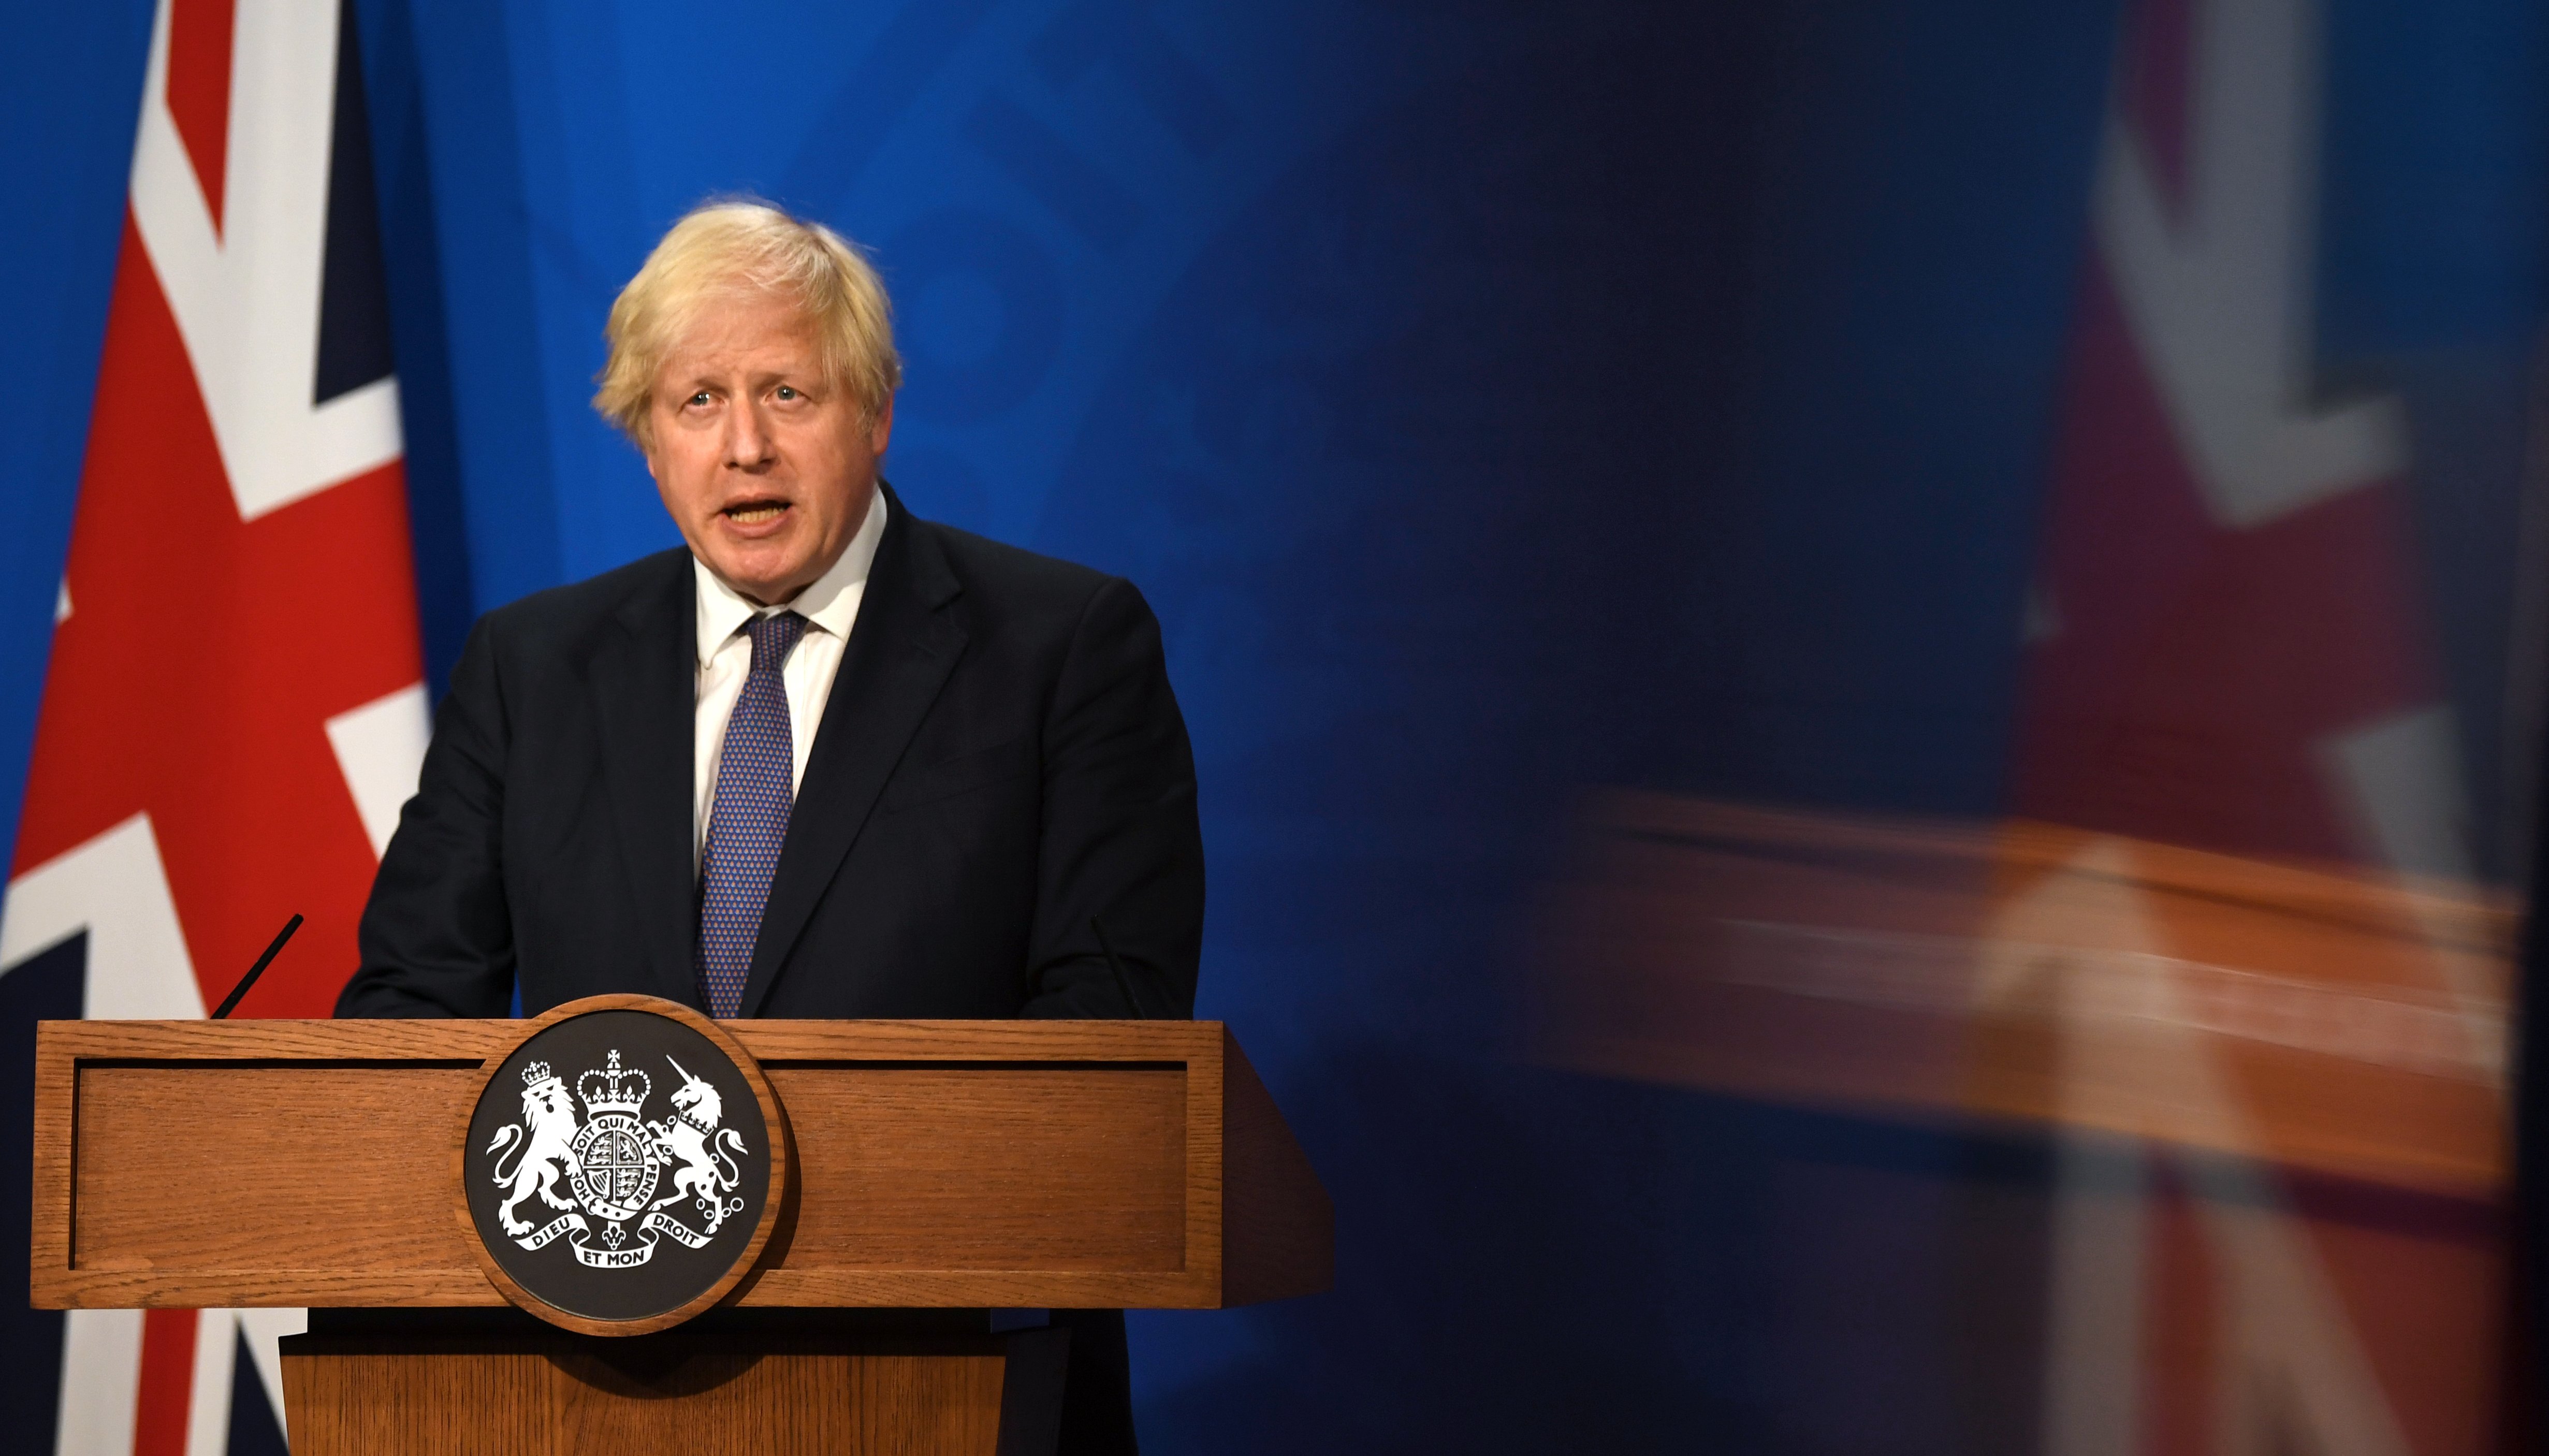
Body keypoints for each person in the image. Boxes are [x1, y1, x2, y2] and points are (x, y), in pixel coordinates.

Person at [338, 199, 1201, 1453]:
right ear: (647, 440)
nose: (744, 446)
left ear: (875, 413)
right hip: (581, 1385)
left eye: (788, 393)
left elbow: (1107, 1037)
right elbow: (412, 1009)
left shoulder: (1059, 648)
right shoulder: (534, 668)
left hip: (940, 1366)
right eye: (697, 402)